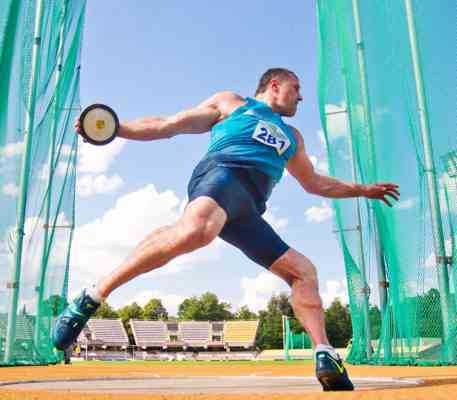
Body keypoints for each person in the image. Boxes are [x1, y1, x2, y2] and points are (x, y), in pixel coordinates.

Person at [53, 68, 400, 391]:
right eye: (297, 88)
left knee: (304, 272)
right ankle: (92, 296)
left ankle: (325, 353)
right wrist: (115, 128)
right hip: (222, 175)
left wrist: (363, 190)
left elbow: (314, 183)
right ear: (275, 84)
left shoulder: (293, 138)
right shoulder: (232, 103)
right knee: (198, 231)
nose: (301, 98)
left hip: (248, 209)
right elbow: (170, 124)